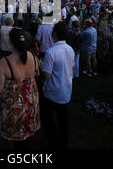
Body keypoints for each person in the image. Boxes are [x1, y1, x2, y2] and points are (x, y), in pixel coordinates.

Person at [0, 28, 40, 149]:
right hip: (31, 104)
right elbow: (37, 74)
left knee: (18, 143)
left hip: (15, 109)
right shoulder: (33, 57)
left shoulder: (4, 63)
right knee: (26, 138)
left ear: (11, 43)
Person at [42, 21, 75, 149]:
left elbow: (47, 76)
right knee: (63, 120)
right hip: (66, 89)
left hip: (53, 92)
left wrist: (41, 66)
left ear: (54, 34)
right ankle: (63, 142)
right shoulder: (70, 49)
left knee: (48, 119)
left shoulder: (51, 52)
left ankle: (53, 142)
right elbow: (71, 66)